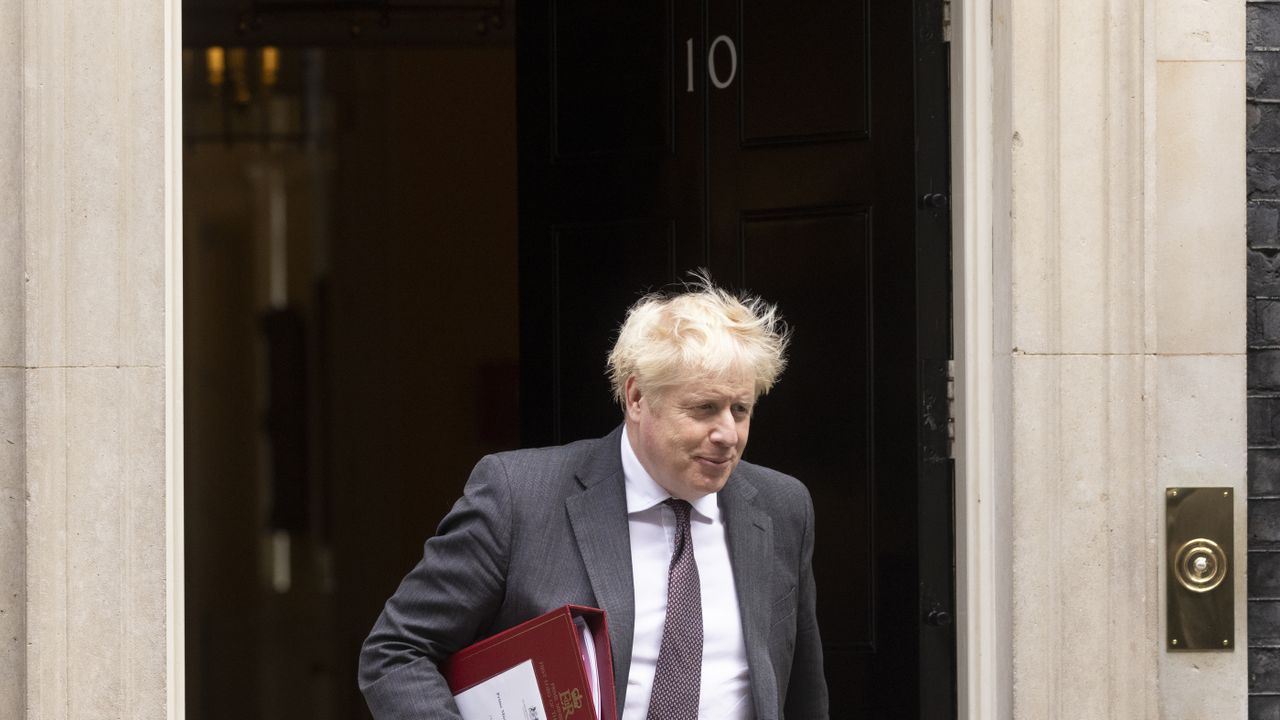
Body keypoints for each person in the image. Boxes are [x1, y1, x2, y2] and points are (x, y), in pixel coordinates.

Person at [358, 278, 829, 719]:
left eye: (740, 409)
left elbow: (805, 694)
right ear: (637, 397)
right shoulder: (520, 496)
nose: (728, 433)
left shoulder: (781, 507)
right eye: (704, 408)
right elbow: (396, 652)